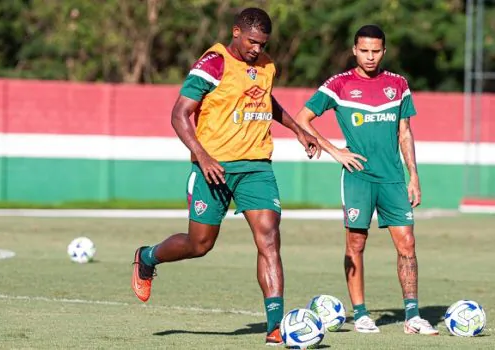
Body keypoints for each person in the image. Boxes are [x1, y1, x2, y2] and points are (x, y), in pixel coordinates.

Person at [131, 7, 320, 346]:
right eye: (251, 42)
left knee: (269, 238)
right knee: (199, 244)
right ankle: (147, 257)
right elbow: (179, 114)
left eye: (262, 44)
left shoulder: (265, 64)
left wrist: (297, 128)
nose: (257, 49)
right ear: (235, 32)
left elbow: (264, 99)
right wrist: (203, 157)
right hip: (213, 167)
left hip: (256, 166)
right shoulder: (213, 63)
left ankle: (275, 327)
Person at [295, 24, 439, 335]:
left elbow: (405, 132)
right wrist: (335, 151)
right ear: (354, 50)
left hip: (393, 179)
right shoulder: (339, 84)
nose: (370, 56)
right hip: (357, 179)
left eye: (376, 51)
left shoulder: (398, 84)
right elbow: (302, 118)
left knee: (408, 244)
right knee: (356, 244)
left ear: (384, 52)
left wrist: (414, 174)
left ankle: (412, 316)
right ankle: (361, 313)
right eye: (364, 50)